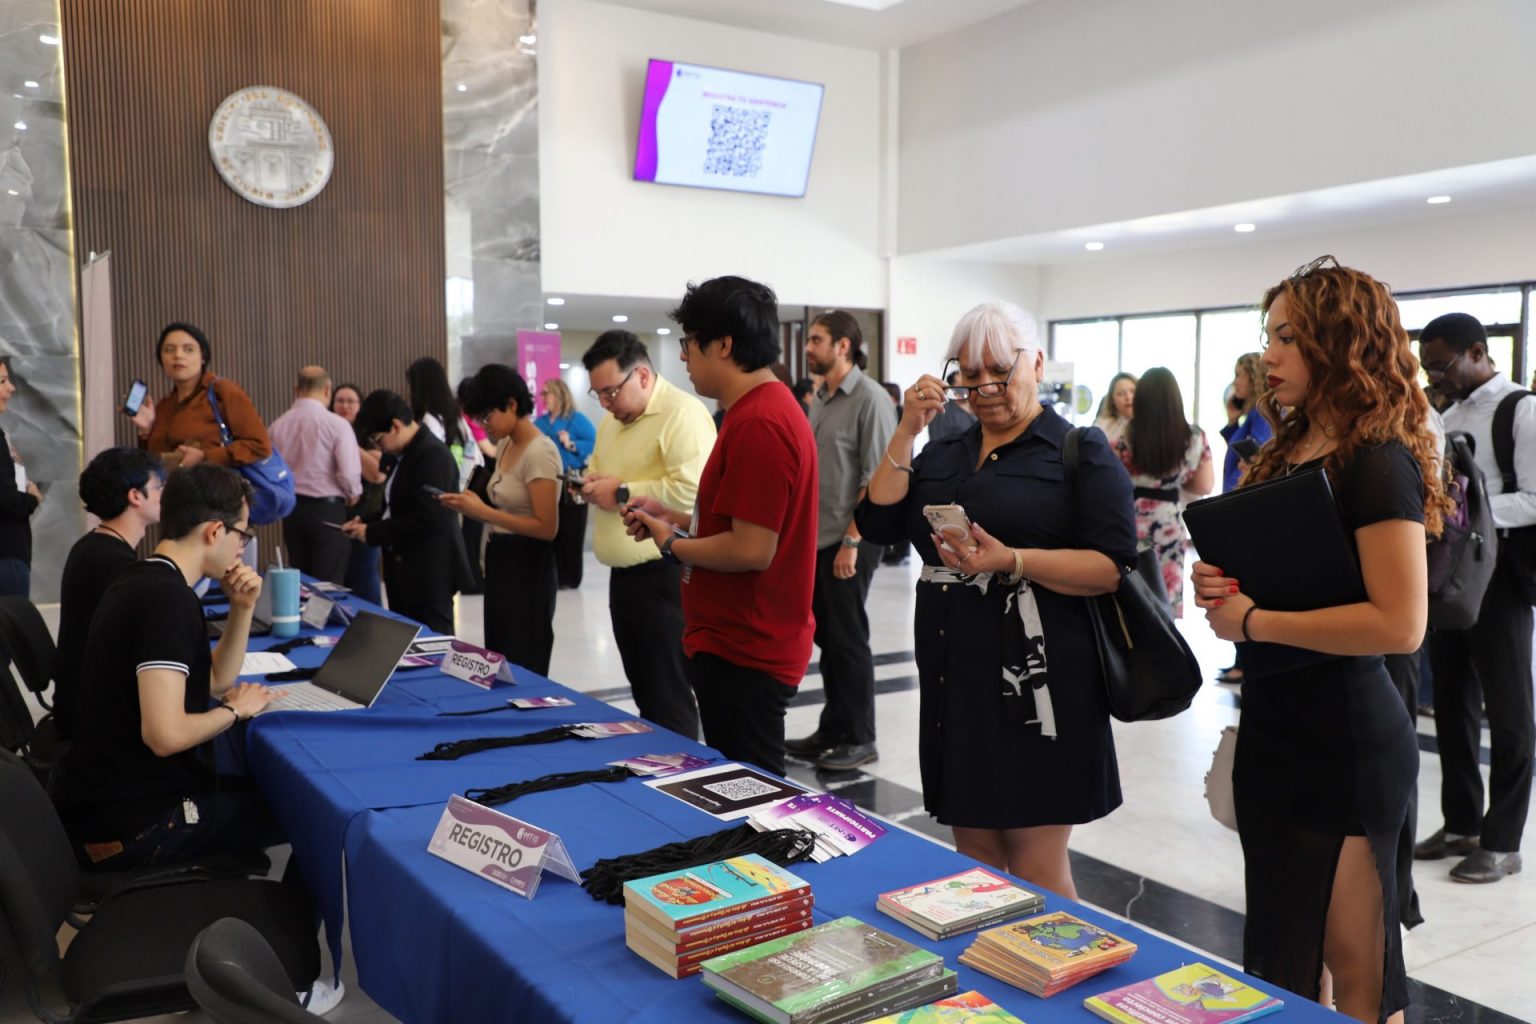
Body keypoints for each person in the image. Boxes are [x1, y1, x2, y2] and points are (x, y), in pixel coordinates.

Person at [1192, 256, 1447, 1024]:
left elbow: (1401, 624)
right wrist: (1224, 584)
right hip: (1277, 729)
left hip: (1347, 742)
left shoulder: (1378, 461)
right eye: (1269, 336)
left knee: (1359, 972)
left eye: (1287, 338)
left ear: (1340, 343)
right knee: (1284, 958)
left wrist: (1254, 622)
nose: (1268, 355)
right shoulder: (1287, 448)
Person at [857, 300, 1135, 899]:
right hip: (955, 675)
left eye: (999, 371)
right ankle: (990, 957)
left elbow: (1111, 568)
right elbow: (877, 521)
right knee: (975, 861)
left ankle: (1057, 954)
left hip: (1040, 681)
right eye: (969, 373)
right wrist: (906, 430)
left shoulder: (1078, 451)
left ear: (1036, 362)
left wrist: (1011, 559)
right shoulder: (944, 451)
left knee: (1037, 864)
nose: (984, 388)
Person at [622, 277, 818, 777]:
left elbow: (752, 549)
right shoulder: (751, 412)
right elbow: (740, 522)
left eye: (689, 342)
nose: (683, 355)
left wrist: (672, 543)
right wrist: (672, 517)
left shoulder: (760, 421)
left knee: (752, 792)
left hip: (746, 646)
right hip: (738, 639)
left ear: (724, 345)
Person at [49, 464, 282, 868]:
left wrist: (242, 608)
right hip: (130, 825)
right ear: (215, 531)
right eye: (242, 534)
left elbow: (214, 681)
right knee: (292, 809)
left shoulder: (143, 577)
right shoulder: (167, 599)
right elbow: (165, 736)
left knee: (257, 788)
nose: (242, 547)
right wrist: (234, 710)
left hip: (101, 802)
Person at [1415, 311, 1534, 884]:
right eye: (1428, 368)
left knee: (1509, 711)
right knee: (1452, 700)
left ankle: (1503, 840)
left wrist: (1469, 513)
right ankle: (1461, 823)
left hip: (1503, 575)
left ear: (1479, 353)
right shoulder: (1446, 415)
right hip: (1452, 575)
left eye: (1441, 365)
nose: (1434, 377)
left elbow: (1534, 498)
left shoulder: (1521, 410)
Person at [580, 330, 715, 739]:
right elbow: (600, 469)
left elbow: (695, 493)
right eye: (598, 395)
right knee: (645, 690)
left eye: (610, 392)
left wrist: (622, 491)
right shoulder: (612, 421)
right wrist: (590, 483)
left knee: (668, 694)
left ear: (641, 375)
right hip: (624, 577)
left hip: (665, 573)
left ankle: (681, 768)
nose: (605, 403)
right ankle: (657, 764)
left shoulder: (682, 414)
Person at [786, 311, 896, 771]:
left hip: (853, 537)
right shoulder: (823, 398)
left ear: (843, 346)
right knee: (831, 638)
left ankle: (859, 737)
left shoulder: (871, 399)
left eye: (816, 340)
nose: (808, 348)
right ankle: (834, 728)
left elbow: (879, 478)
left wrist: (852, 541)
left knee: (848, 639)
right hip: (823, 536)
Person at [442, 366, 561, 675]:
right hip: (500, 559)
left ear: (511, 404)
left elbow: (546, 528)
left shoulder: (540, 452)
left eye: (487, 416)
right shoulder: (507, 443)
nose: (485, 426)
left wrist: (484, 513)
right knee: (500, 654)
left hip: (527, 564)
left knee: (524, 658)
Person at [53, 448, 165, 739]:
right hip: (96, 722)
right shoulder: (114, 564)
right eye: (159, 487)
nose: (163, 494)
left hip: (81, 704)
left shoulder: (93, 546)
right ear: (135, 496)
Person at [341, 390, 461, 634]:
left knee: (432, 644)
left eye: (378, 439)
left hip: (428, 575)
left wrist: (372, 532)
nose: (380, 447)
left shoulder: (432, 455)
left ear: (395, 426)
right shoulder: (405, 453)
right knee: (404, 641)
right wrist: (366, 521)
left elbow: (427, 517)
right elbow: (395, 506)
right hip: (404, 572)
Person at [1113, 366, 1213, 616]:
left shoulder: (1124, 436)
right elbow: (1204, 485)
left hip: (1132, 521)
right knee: (1166, 598)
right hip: (1170, 522)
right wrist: (1173, 481)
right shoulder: (1194, 437)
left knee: (1133, 597)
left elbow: (1113, 482)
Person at [267, 366, 362, 584]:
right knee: (327, 585)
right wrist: (353, 494)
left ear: (296, 389)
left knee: (301, 581)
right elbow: (348, 474)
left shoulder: (277, 426)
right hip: (328, 512)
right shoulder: (337, 425)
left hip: (292, 511)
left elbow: (271, 471)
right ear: (327, 389)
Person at [133, 323, 272, 471]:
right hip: (175, 485)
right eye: (169, 350)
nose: (178, 355)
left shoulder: (223, 392)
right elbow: (154, 463)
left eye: (188, 349)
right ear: (161, 359)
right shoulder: (164, 405)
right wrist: (147, 431)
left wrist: (205, 457)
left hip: (217, 483)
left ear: (203, 357)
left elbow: (260, 446)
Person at [1214, 353, 1272, 684]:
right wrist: (1233, 420)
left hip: (1246, 504)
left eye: (1240, 375)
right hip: (1236, 499)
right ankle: (1241, 659)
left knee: (1242, 584)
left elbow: (1259, 454)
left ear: (1254, 377)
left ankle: (1246, 660)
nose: (1235, 381)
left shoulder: (1263, 413)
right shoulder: (1251, 414)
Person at [534, 378, 596, 589]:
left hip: (571, 482)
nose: (543, 397)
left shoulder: (576, 419)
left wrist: (571, 444)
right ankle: (552, 574)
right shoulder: (540, 423)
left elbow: (594, 442)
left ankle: (570, 577)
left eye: (546, 393)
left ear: (559, 395)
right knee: (552, 529)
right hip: (547, 481)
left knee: (572, 530)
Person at [331, 383, 385, 603]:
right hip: (333, 516)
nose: (344, 406)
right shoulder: (325, 431)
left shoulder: (368, 436)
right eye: (339, 401)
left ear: (360, 406)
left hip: (365, 515)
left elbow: (377, 474)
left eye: (350, 401)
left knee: (364, 574)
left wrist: (347, 440)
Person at [407, 356, 483, 491]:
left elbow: (431, 460)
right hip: (464, 484)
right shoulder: (455, 413)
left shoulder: (429, 420)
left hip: (445, 488)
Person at [0, 356, 42, 597]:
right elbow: (7, 500)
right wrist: (32, 498)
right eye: (2, 381)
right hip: (6, 555)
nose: (11, 388)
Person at [925, 371, 975, 443]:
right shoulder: (942, 411)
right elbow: (937, 442)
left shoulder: (976, 408)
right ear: (952, 388)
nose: (966, 387)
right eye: (961, 385)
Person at [1093, 371, 1137, 445]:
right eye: (1120, 394)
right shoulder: (1102, 426)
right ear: (1112, 400)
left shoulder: (1149, 423)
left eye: (1132, 391)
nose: (1128, 397)